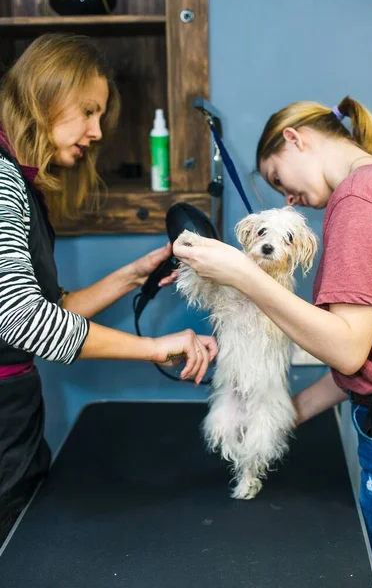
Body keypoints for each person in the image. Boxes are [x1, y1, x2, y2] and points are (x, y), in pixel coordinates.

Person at [173, 95, 372, 587]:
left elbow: (347, 349)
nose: (288, 197)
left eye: (278, 178)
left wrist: (242, 274)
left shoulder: (358, 199)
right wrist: (283, 415)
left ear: (296, 140)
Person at [0, 33, 217, 545]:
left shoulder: (20, 179)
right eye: (88, 111)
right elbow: (22, 320)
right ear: (44, 94)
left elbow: (47, 311)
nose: (98, 132)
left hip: (16, 411)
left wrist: (133, 275)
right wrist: (154, 347)